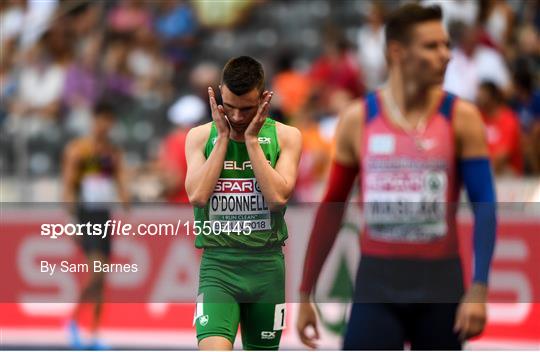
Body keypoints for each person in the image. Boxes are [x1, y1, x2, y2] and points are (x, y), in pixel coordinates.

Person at [297, 4, 497, 350]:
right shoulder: (358, 119)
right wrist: (305, 293)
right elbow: (332, 207)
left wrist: (479, 289)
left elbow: (485, 206)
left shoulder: (461, 118)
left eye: (446, 45)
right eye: (432, 46)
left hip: (441, 286)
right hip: (377, 284)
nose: (446, 55)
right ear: (397, 52)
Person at [185, 56, 302, 350]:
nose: (237, 117)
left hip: (266, 269)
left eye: (247, 109)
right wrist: (223, 138)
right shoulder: (199, 137)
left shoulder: (287, 137)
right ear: (219, 94)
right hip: (218, 267)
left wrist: (251, 141)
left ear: (264, 98)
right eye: (230, 107)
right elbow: (197, 195)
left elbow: (277, 198)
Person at [62, 100, 130, 349]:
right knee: (97, 272)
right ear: (94, 120)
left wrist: (127, 202)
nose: (105, 125)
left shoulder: (112, 153)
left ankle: (93, 333)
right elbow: (68, 187)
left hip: (103, 216)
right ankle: (72, 321)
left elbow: (121, 181)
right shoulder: (79, 150)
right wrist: (71, 221)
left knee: (102, 278)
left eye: (109, 120)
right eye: (101, 119)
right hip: (85, 215)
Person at [476, 81, 523, 175]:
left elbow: (504, 155)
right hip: (484, 167)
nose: (478, 97)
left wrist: (482, 174)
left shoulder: (508, 119)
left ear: (493, 97)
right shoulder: (478, 117)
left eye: (483, 94)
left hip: (506, 170)